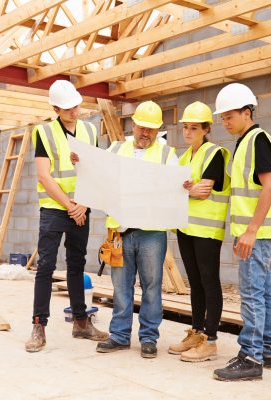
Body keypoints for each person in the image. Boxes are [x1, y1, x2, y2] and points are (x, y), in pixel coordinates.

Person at [25, 80, 108, 353]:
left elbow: (94, 170)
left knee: (76, 264)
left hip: (80, 208)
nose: (75, 111)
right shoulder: (44, 132)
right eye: (69, 108)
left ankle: (81, 323)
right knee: (46, 267)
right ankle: (39, 326)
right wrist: (69, 204)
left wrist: (82, 204)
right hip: (54, 208)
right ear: (56, 108)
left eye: (76, 105)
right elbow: (43, 175)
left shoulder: (89, 130)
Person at [95, 101, 178, 358]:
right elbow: (99, 176)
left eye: (152, 130)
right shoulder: (116, 149)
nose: (146, 134)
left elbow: (176, 188)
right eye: (142, 128)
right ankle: (119, 336)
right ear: (133, 125)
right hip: (120, 231)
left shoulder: (167, 155)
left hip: (151, 232)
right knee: (121, 286)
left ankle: (148, 338)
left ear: (158, 131)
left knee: (152, 286)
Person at [212, 83, 271, 381]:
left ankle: (250, 357)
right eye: (222, 118)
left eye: (229, 116)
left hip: (257, 236)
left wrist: (250, 230)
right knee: (264, 294)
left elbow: (269, 186)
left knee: (252, 295)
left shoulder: (257, 140)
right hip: (256, 235)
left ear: (247, 113)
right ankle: (267, 348)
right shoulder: (246, 141)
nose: (225, 122)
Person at [168, 102, 230, 362]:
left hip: (206, 230)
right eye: (185, 127)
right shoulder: (184, 157)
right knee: (194, 282)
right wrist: (185, 189)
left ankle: (211, 341)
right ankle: (196, 332)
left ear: (206, 129)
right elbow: (176, 189)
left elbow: (203, 191)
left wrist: (185, 190)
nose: (188, 132)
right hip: (186, 228)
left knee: (209, 281)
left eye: (194, 127)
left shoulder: (214, 153)